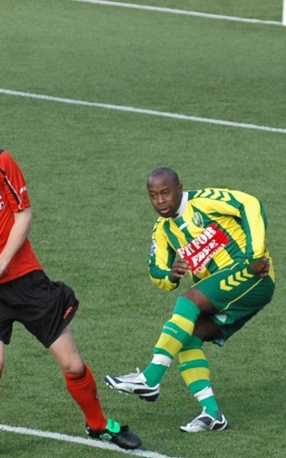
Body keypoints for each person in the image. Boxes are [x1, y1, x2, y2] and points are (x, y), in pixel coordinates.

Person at [0, 109, 141, 458]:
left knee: (72, 364)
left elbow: (24, 215)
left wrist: (2, 261)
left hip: (25, 279)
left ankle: (98, 425)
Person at [105, 168, 275, 432]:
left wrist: (255, 255)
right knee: (188, 338)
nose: (160, 201)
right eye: (153, 196)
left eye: (165, 193)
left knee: (190, 301)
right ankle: (213, 413)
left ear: (179, 189)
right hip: (226, 293)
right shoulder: (162, 230)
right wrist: (170, 274)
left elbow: (249, 203)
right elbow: (156, 272)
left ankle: (150, 378)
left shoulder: (204, 201)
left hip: (252, 274)